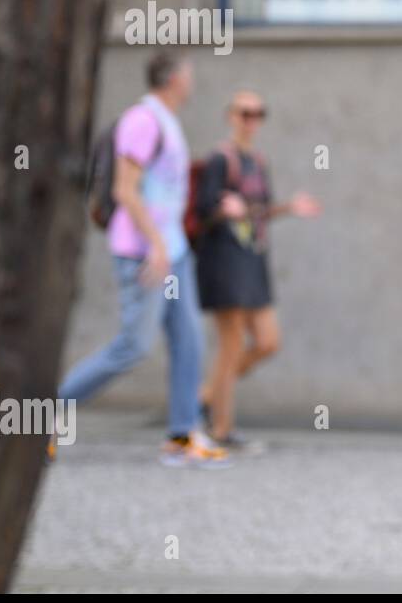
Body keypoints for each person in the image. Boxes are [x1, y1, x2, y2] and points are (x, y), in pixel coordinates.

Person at [59, 51, 228, 468]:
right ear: (172, 78)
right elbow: (124, 190)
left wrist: (170, 247)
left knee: (188, 339)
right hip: (144, 254)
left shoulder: (168, 121)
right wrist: (154, 245)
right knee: (133, 346)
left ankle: (182, 435)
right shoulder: (143, 121)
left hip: (174, 254)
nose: (192, 80)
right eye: (188, 72)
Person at [196, 90, 320, 447]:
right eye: (244, 113)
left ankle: (206, 397)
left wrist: (289, 208)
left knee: (268, 341)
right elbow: (205, 209)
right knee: (231, 344)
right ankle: (221, 430)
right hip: (224, 259)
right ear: (230, 116)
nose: (252, 120)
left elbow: (258, 210)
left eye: (258, 113)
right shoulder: (220, 160)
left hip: (253, 258)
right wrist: (224, 209)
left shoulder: (258, 161)